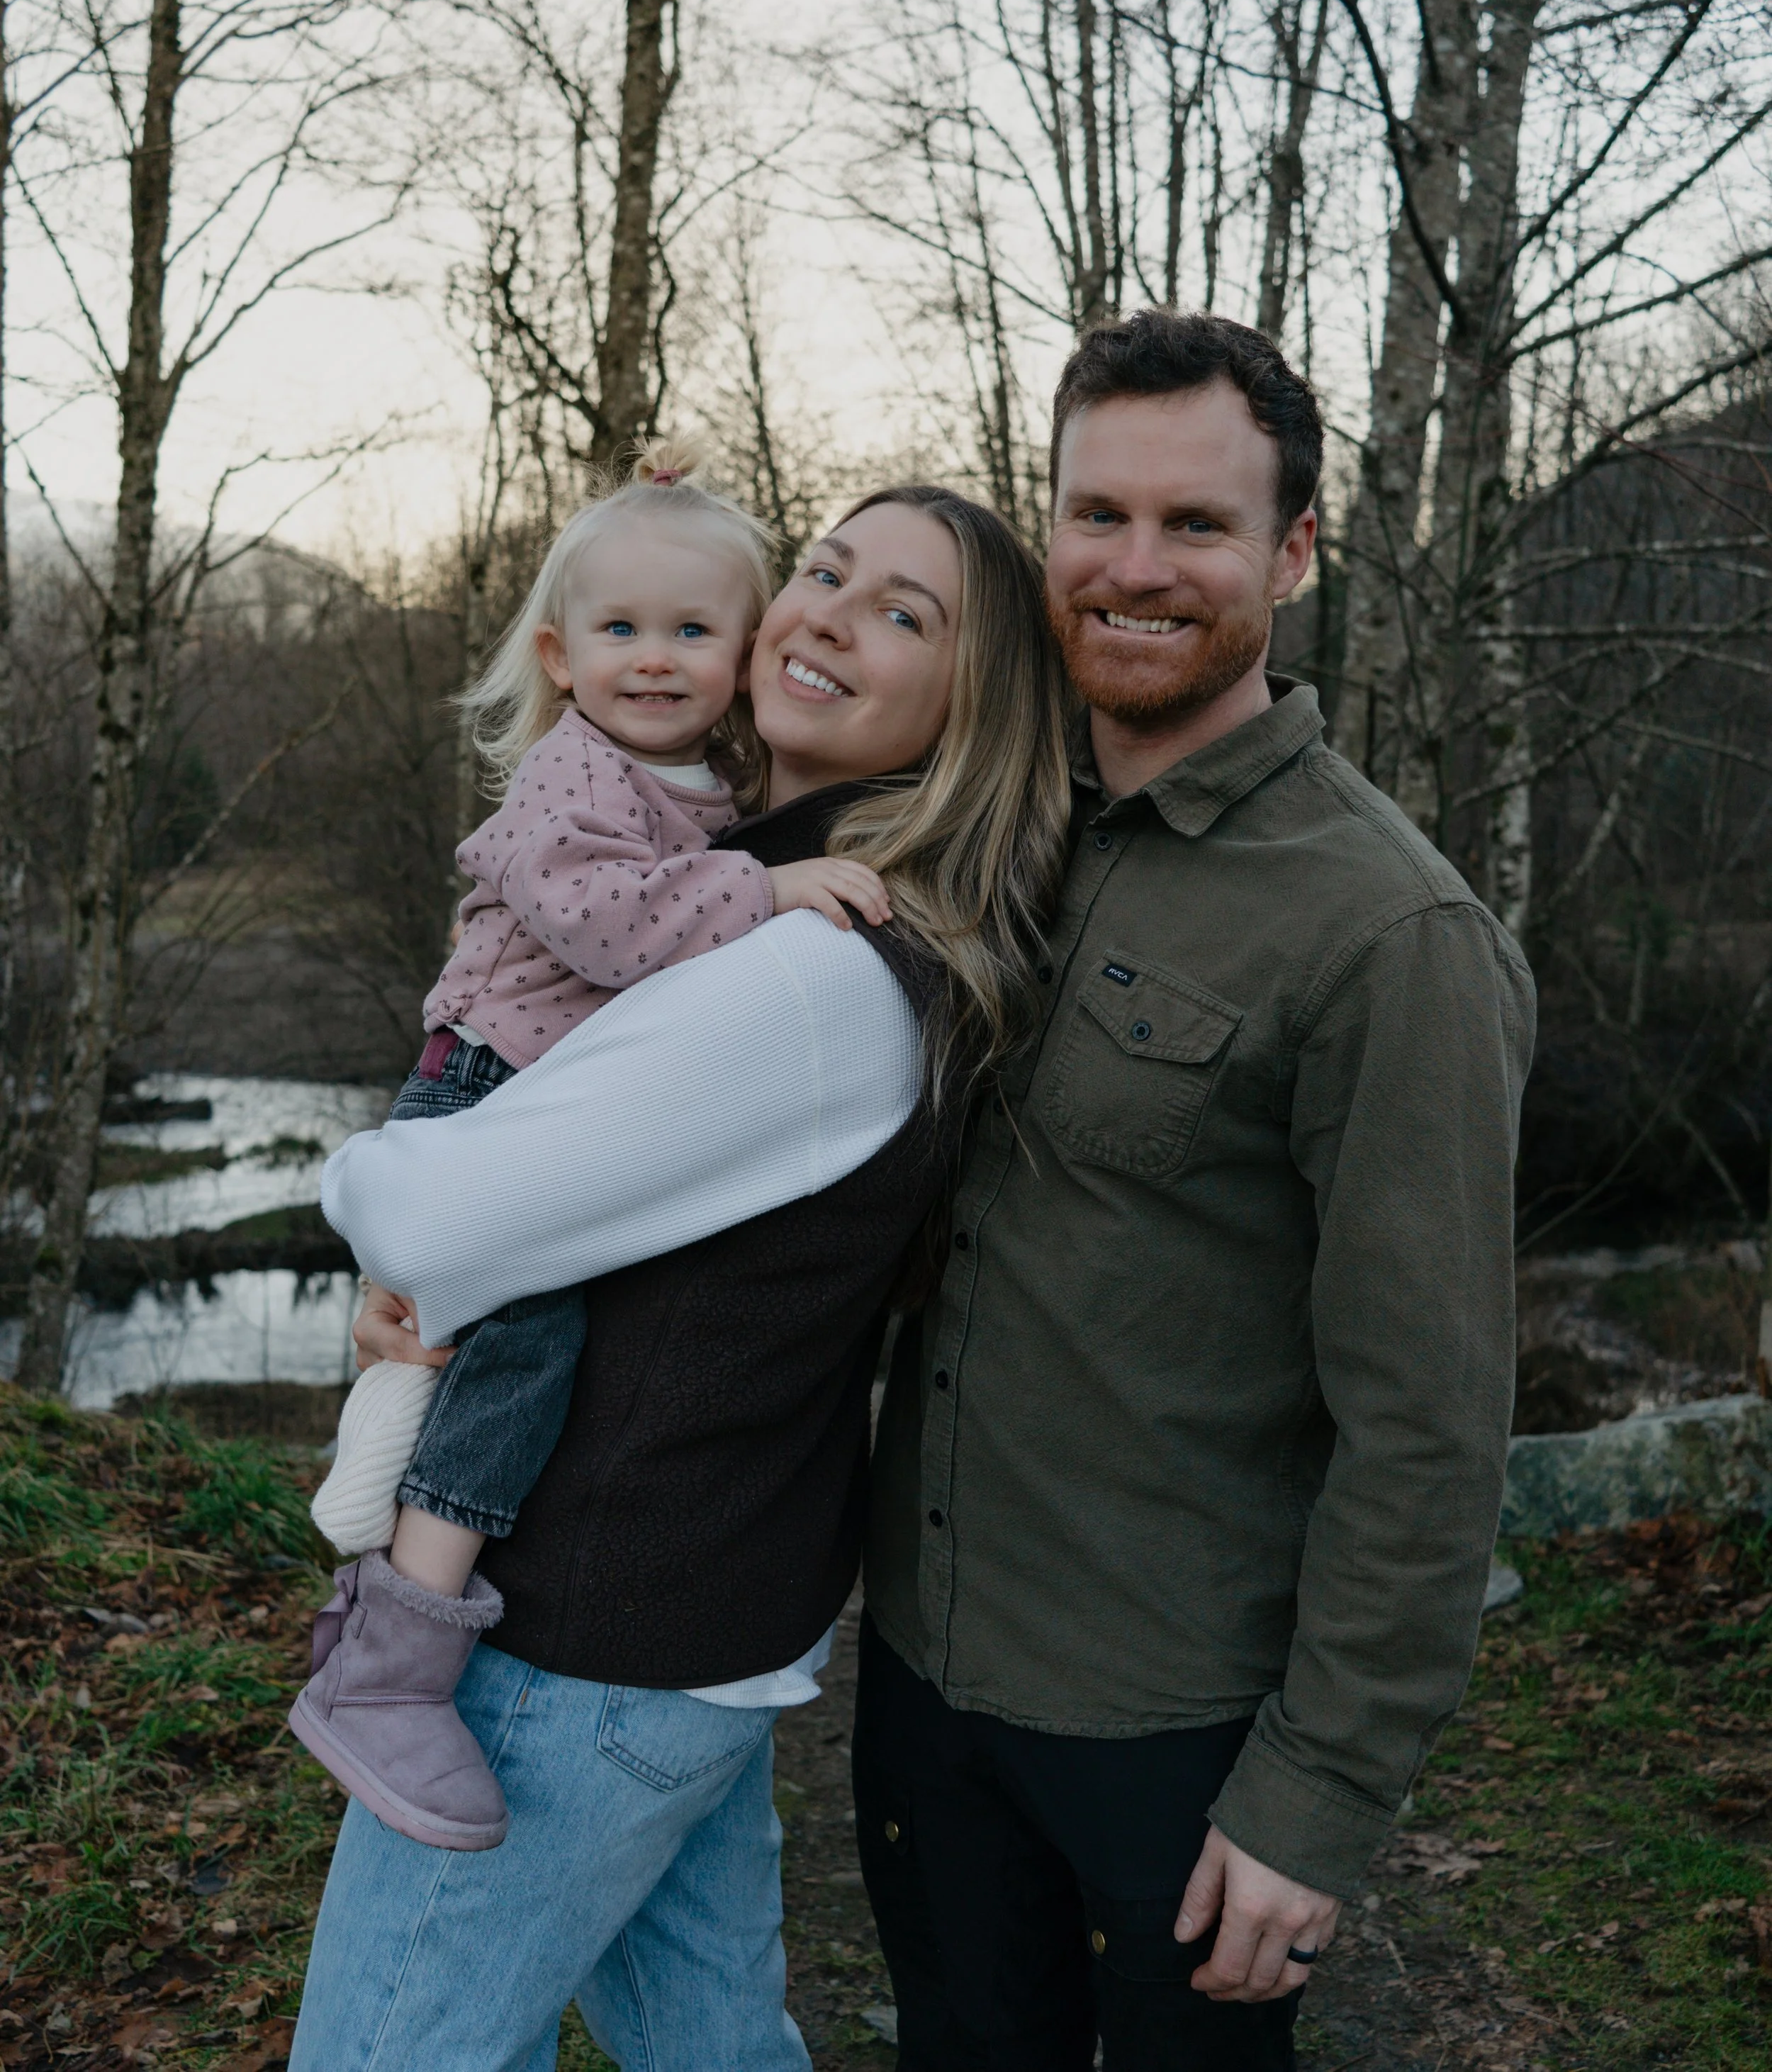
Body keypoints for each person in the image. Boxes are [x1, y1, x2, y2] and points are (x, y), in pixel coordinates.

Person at [290, 483, 1072, 2072]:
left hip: (581, 1642)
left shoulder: (808, 961)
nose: (831, 611)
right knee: (716, 2047)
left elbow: (438, 1219)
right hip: (696, 1638)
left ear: (966, 714)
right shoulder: (769, 890)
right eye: (828, 570)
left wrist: (363, 1199)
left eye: (903, 613)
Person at [856, 310, 1536, 2071]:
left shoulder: (1390, 935)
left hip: (1167, 1733)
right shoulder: (983, 813)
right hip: (922, 1679)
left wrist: (1314, 1796)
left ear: (1292, 551)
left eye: (1196, 525)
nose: (1133, 569)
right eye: (1096, 515)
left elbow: (1427, 1426)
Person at [298, 441, 894, 1853]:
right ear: (559, 656)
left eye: (692, 629)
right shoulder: (574, 781)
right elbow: (614, 928)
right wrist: (768, 885)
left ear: (744, 649)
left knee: (464, 1333)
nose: (653, 657)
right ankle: (393, 1650)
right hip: (483, 1086)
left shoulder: (700, 775)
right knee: (529, 1337)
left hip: (535, 1096)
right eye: (619, 629)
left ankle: (379, 1467)